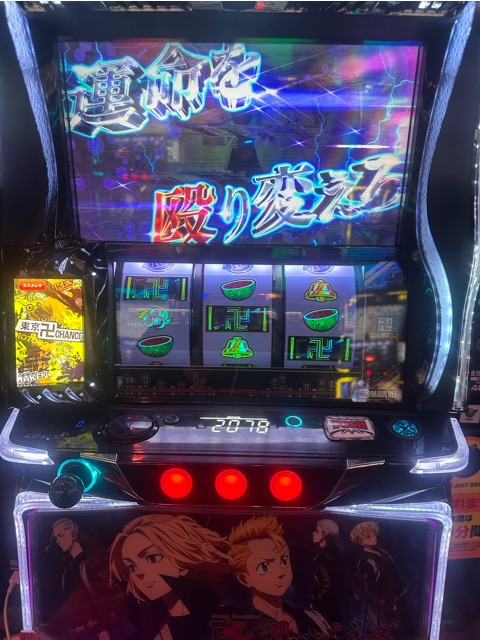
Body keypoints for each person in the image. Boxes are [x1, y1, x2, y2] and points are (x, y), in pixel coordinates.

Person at [108, 513, 229, 640]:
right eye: (132, 567)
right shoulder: (151, 617)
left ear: (181, 554)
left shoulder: (212, 615)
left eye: (152, 558)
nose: (138, 573)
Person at [226, 515, 335, 639]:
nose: (280, 572)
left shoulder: (314, 618)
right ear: (244, 578)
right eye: (264, 566)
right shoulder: (238, 624)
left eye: (284, 560)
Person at [350, 521, 408, 633]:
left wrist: (401, 592)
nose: (373, 537)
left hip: (397, 598)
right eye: (368, 536)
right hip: (383, 606)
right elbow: (367, 591)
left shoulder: (383, 553)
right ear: (361, 541)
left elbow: (394, 575)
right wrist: (385, 604)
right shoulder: (366, 562)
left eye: (373, 534)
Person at [311, 519, 353, 632]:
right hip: (340, 600)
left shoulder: (322, 557)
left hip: (329, 603)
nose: (313, 533)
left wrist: (316, 599)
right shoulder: (336, 552)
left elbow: (327, 583)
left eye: (317, 531)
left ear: (324, 534)